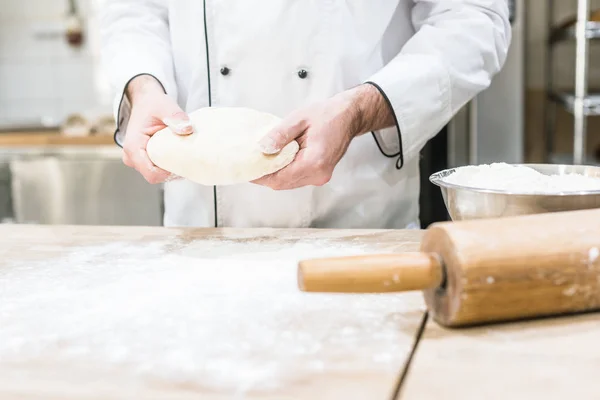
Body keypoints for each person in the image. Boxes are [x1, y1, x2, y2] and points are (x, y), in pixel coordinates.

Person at [100, 1, 511, 229]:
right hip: (198, 228)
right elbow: (132, 14)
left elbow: (473, 18)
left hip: (354, 222)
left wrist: (361, 109)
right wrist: (142, 86)